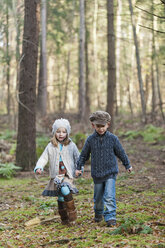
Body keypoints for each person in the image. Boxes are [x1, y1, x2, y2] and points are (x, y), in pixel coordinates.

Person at [75, 111, 132, 227]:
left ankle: (110, 217)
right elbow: (83, 155)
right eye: (98, 126)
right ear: (93, 125)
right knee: (98, 199)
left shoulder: (113, 139)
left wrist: (127, 165)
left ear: (108, 125)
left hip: (111, 172)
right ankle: (98, 214)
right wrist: (78, 167)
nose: (101, 129)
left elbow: (121, 153)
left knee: (109, 196)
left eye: (103, 126)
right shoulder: (90, 140)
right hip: (97, 174)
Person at [34, 118, 80, 225]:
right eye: (58, 132)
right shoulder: (50, 146)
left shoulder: (71, 145)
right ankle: (64, 219)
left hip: (67, 175)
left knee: (65, 189)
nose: (61, 134)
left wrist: (79, 169)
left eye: (64, 132)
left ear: (67, 133)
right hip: (56, 176)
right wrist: (39, 167)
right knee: (60, 196)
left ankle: (72, 214)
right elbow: (43, 158)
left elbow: (78, 158)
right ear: (54, 132)